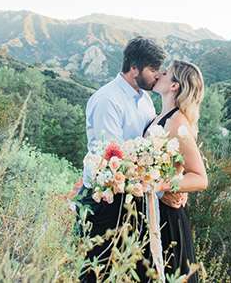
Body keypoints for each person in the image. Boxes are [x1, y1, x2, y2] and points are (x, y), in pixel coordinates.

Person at [76, 36, 180, 282]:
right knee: (98, 269)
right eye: (153, 69)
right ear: (134, 67)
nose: (157, 75)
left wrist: (170, 178)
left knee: (127, 270)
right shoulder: (107, 100)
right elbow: (112, 159)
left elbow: (151, 145)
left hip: (133, 199)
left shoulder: (144, 98)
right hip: (106, 199)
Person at [144, 60, 208, 283]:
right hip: (151, 210)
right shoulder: (156, 119)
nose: (159, 74)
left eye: (166, 73)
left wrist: (163, 185)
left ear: (174, 86)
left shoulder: (177, 121)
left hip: (168, 216)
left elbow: (199, 177)